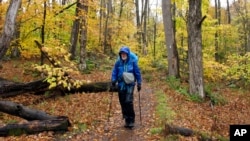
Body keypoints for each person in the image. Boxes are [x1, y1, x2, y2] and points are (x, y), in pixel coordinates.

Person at [111, 46, 142, 129]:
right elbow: (114, 71)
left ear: (127, 54)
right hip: (120, 85)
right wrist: (113, 80)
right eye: (122, 53)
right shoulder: (118, 62)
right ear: (120, 54)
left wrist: (139, 83)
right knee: (123, 102)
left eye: (125, 53)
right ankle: (126, 120)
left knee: (128, 101)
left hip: (130, 85)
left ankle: (131, 120)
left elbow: (137, 72)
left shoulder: (132, 62)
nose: (123, 55)